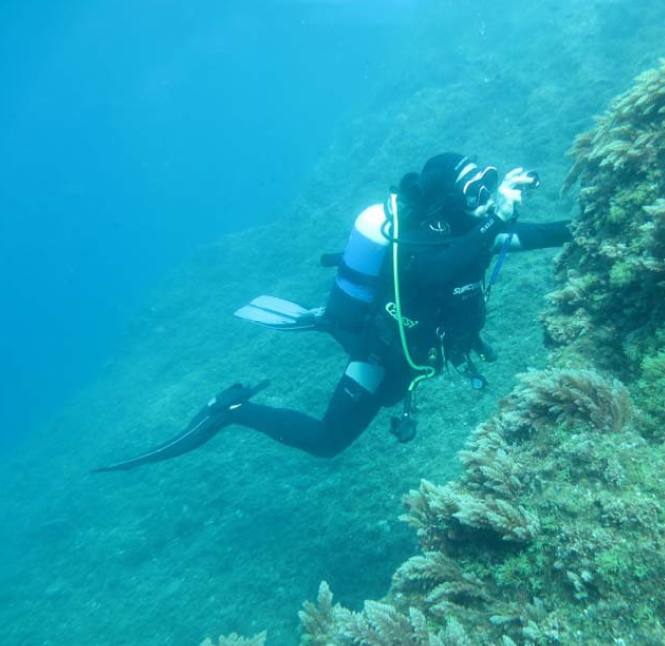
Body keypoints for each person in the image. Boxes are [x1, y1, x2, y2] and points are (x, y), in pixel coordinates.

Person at [94, 153, 571, 472]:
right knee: (327, 441)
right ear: (447, 199)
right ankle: (230, 409)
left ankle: (326, 318)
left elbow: (534, 235)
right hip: (378, 349)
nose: (484, 199)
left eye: (486, 187)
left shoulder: (474, 231)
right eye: (474, 190)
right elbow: (431, 272)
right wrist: (495, 219)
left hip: (414, 350)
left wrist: (589, 224)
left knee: (386, 393)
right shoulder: (421, 240)